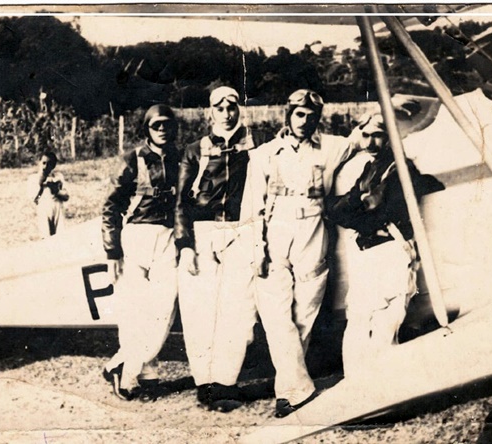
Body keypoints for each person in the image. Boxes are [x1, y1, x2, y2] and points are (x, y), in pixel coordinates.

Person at [249, 89, 355, 417]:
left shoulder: (332, 147)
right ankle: (296, 387)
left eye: (311, 116)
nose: (305, 121)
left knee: (305, 311)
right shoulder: (264, 154)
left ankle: (289, 390)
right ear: (288, 114)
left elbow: (364, 136)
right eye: (299, 114)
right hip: (275, 233)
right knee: (276, 315)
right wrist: (257, 248)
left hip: (313, 230)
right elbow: (252, 208)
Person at [175, 86, 270, 413]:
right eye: (220, 107)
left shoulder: (257, 145)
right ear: (210, 112)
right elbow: (181, 203)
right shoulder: (195, 150)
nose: (227, 113)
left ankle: (225, 383)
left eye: (232, 107)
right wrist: (185, 246)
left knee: (239, 310)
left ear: (239, 109)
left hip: (242, 231)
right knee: (200, 310)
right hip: (204, 233)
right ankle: (204, 382)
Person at [326, 113, 443, 378]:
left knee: (386, 322)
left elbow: (387, 212)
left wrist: (360, 211)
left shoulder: (402, 169)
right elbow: (339, 210)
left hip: (393, 248)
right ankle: (356, 385)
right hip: (369, 251)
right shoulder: (370, 169)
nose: (370, 142)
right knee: (358, 319)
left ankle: (383, 384)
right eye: (366, 135)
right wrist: (361, 211)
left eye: (377, 135)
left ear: (390, 136)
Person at [101, 104, 181, 401]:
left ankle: (121, 364)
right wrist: (112, 250)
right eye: (156, 125)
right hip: (136, 237)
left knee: (163, 308)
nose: (162, 130)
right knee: (135, 311)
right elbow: (111, 207)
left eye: (167, 125)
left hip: (168, 237)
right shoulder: (131, 160)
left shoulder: (181, 159)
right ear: (146, 129)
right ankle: (137, 375)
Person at [28, 151, 68, 238]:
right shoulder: (33, 178)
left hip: (57, 208)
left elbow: (66, 197)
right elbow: (34, 200)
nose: (45, 167)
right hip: (43, 208)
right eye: (44, 163)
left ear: (53, 166)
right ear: (39, 163)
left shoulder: (58, 177)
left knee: (60, 235)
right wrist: (41, 185)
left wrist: (56, 191)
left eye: (49, 164)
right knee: (45, 236)